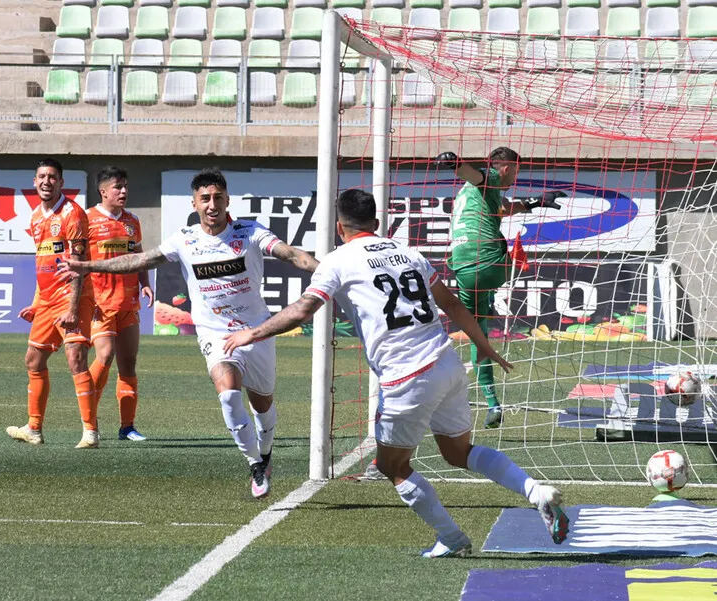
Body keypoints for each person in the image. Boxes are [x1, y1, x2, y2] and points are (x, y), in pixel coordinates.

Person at [224, 189, 569, 557]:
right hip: (447, 363)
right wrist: (484, 347)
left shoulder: (338, 261)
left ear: (340, 228)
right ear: (377, 224)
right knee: (458, 452)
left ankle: (452, 539)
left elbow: (303, 310)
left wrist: (253, 331)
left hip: (406, 378)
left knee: (391, 465)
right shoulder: (410, 253)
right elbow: (450, 303)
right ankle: (535, 491)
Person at [58, 167, 319, 498]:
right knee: (227, 392)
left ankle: (265, 453)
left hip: (257, 331)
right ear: (195, 203)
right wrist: (88, 265)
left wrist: (324, 271)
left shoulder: (249, 232)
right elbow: (138, 260)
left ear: (227, 201)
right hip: (214, 333)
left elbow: (291, 253)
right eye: (205, 198)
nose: (212, 205)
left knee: (264, 407)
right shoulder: (185, 239)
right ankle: (254, 462)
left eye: (218, 198)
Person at [434, 147, 566, 428]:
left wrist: (534, 203)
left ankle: (492, 403)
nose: (515, 177)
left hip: (463, 271)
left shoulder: (470, 196)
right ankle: (493, 292)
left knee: (477, 336)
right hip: (492, 264)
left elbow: (503, 208)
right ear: (505, 167)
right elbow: (475, 175)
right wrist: (456, 163)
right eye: (516, 171)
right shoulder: (490, 177)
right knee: (511, 249)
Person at [7, 158, 101, 449]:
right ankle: (33, 429)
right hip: (47, 301)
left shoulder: (72, 214)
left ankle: (90, 433)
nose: (46, 181)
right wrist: (36, 303)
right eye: (41, 176)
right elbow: (42, 264)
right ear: (34, 182)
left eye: (52, 177)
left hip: (72, 297)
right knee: (33, 361)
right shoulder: (35, 217)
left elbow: (79, 263)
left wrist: (73, 308)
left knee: (76, 359)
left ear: (61, 182)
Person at [85, 167, 153, 441]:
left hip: (128, 303)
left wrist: (145, 282)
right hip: (99, 304)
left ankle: (127, 427)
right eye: (117, 187)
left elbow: (139, 256)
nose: (124, 191)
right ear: (103, 191)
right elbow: (75, 261)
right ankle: (88, 417)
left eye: (125, 186)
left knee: (129, 363)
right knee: (104, 356)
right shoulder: (86, 219)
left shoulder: (132, 221)